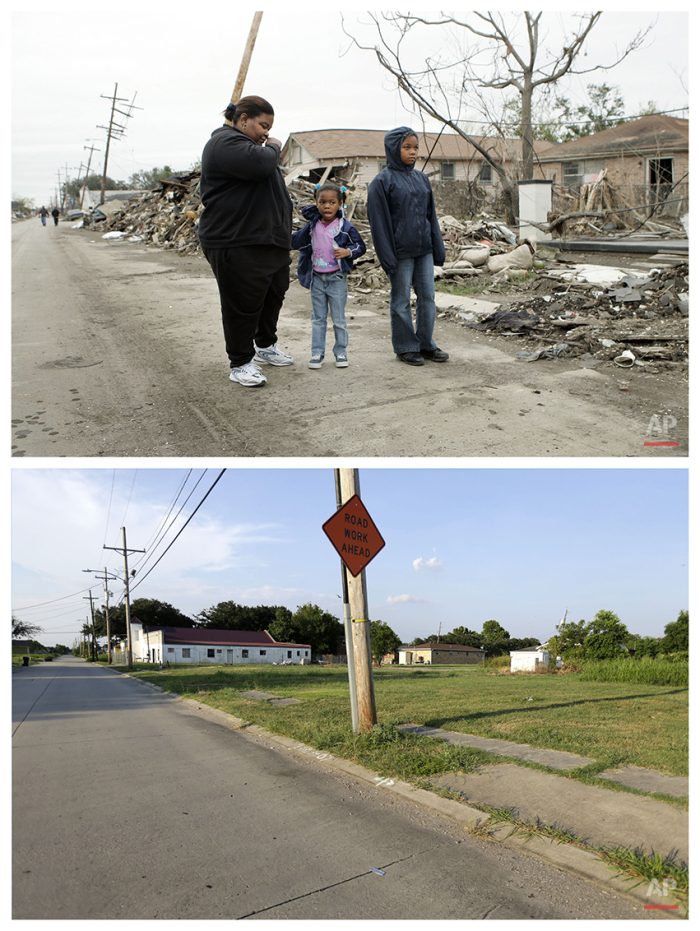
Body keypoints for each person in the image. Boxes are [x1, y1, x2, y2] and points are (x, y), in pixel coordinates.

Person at [198, 95, 294, 387]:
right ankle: (240, 362)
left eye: (270, 128)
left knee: (272, 296)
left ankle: (265, 346)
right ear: (242, 120)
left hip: (267, 241)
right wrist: (276, 146)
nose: (267, 132)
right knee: (242, 304)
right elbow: (262, 164)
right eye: (263, 125)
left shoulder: (249, 148)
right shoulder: (225, 143)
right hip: (235, 240)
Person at [367, 127, 448, 366]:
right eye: (407, 147)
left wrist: (437, 247)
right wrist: (387, 258)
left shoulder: (421, 178)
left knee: (428, 298)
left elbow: (430, 215)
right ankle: (405, 346)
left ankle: (425, 344)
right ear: (394, 149)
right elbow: (378, 224)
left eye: (416, 147)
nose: (413, 152)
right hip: (400, 253)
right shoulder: (381, 182)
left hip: (423, 249)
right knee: (401, 300)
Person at [292, 183, 366, 368]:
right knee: (318, 319)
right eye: (322, 202)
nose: (327, 206)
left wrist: (347, 252)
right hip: (316, 278)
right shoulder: (312, 226)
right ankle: (317, 354)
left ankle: (341, 353)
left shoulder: (344, 226)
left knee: (339, 319)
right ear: (316, 203)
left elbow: (360, 246)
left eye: (332, 202)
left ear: (340, 204)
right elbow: (295, 241)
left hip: (337, 278)